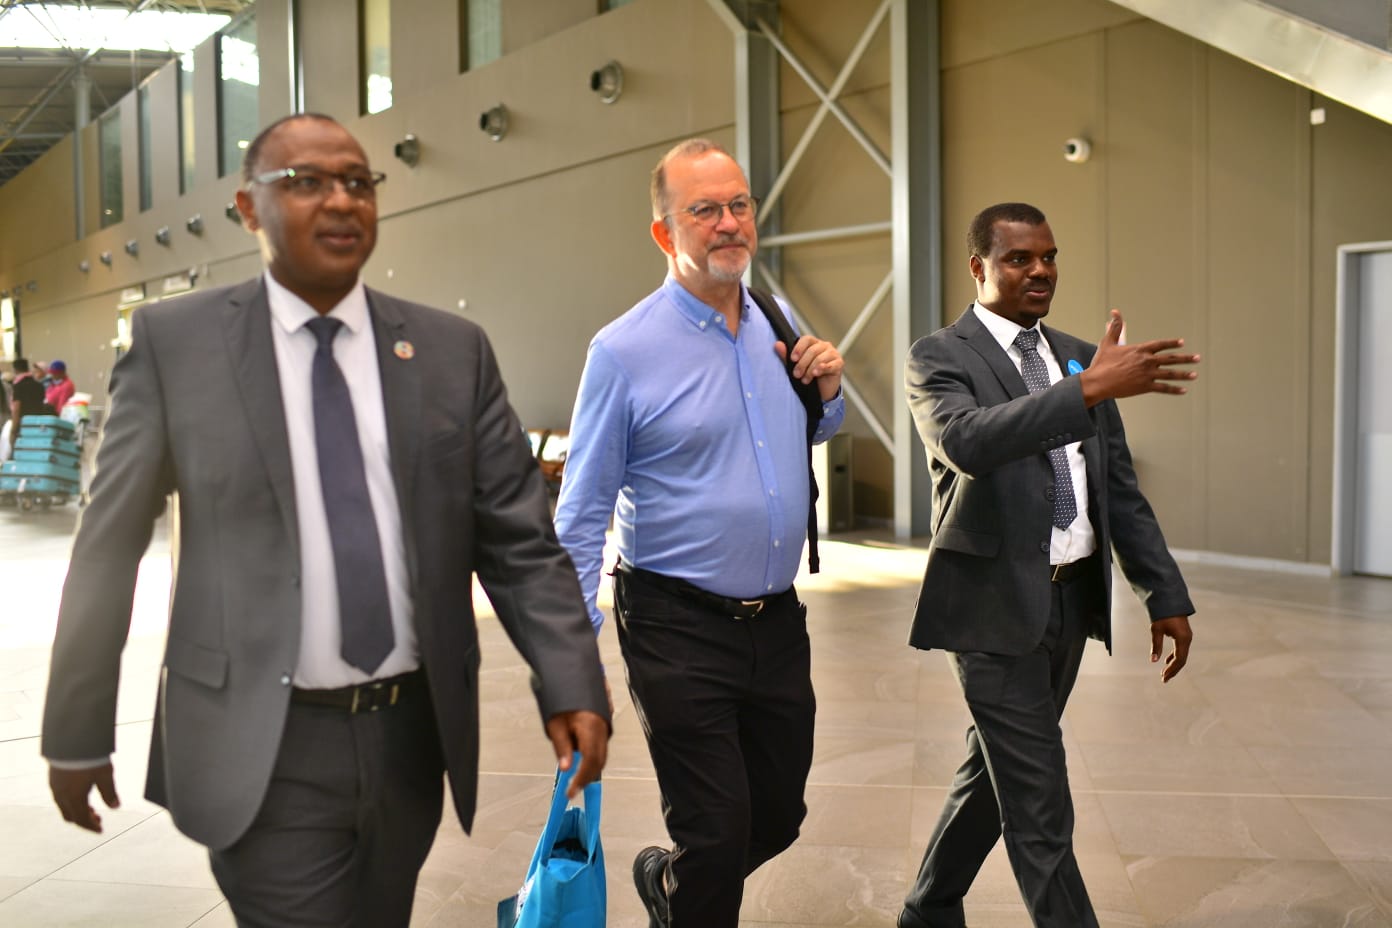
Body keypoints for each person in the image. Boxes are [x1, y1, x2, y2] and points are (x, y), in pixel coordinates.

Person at [41, 113, 610, 928]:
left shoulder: (451, 352)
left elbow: (520, 539)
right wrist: (76, 726)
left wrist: (570, 678)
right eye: (306, 182)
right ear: (247, 207)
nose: (341, 201)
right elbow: (108, 546)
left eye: (357, 181)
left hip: (411, 738)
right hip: (260, 741)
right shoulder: (178, 344)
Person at [554, 138, 846, 927]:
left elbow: (816, 427)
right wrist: (572, 660)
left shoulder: (778, 322)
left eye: (739, 205)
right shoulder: (622, 351)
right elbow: (581, 512)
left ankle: (671, 885)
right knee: (717, 834)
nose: (728, 223)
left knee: (777, 817)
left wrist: (830, 387)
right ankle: (695, 887)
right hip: (675, 624)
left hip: (777, 622)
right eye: (704, 210)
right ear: (664, 232)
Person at [898, 202, 1199, 928]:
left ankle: (928, 909)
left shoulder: (1074, 355)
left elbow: (1116, 486)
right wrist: (1089, 387)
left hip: (1068, 605)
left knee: (992, 777)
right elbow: (967, 441)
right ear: (979, 267)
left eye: (1050, 257)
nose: (1040, 271)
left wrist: (1162, 591)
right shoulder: (941, 355)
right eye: (1018, 259)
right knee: (1039, 804)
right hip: (990, 609)